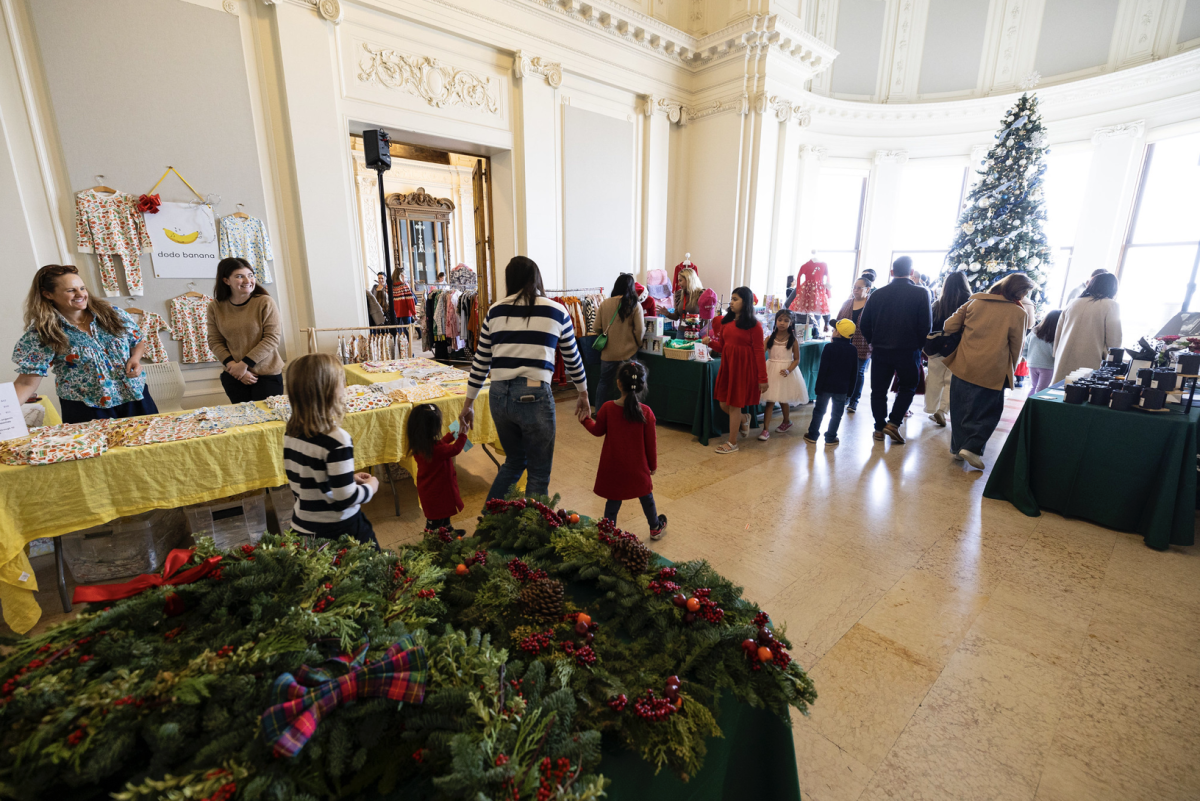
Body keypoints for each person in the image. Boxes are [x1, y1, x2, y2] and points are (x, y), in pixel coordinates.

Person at [459, 256, 589, 500]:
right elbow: (573, 359)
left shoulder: (494, 312)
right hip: (534, 394)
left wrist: (468, 405)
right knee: (539, 473)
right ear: (536, 278)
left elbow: (480, 363)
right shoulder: (557, 311)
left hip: (498, 395)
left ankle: (489, 523)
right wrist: (583, 393)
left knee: (514, 461)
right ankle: (533, 534)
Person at [12, 264, 157, 423]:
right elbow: (26, 383)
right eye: (70, 290)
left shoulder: (112, 313)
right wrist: (6, 412)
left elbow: (137, 340)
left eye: (82, 288)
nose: (80, 294)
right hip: (87, 408)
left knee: (148, 446)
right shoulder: (44, 332)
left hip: (134, 397)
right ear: (48, 294)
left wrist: (135, 358)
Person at [282, 353, 379, 544]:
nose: (345, 388)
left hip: (303, 527)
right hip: (340, 529)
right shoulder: (337, 440)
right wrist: (371, 487)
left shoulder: (291, 432)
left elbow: (309, 477)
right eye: (341, 382)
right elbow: (346, 499)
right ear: (328, 391)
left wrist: (347, 478)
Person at [942, 273, 1036, 469]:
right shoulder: (1018, 313)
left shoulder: (975, 302)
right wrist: (1010, 371)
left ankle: (958, 448)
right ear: (1018, 292)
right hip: (993, 369)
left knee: (960, 408)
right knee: (988, 412)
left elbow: (949, 326)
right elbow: (1016, 348)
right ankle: (972, 447)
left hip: (964, 364)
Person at [581, 361, 667, 540]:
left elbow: (597, 431)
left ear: (619, 383)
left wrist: (585, 420)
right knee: (647, 498)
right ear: (643, 385)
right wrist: (653, 466)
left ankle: (607, 533)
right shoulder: (646, 412)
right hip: (638, 469)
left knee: (613, 502)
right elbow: (651, 444)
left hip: (613, 468)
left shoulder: (607, 408)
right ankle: (655, 528)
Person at [858, 256, 932, 444]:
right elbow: (926, 327)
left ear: (892, 272)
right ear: (912, 272)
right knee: (908, 387)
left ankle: (878, 427)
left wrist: (873, 341)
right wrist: (919, 345)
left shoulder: (877, 294)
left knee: (878, 390)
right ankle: (893, 422)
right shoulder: (922, 293)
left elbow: (864, 324)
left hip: (881, 350)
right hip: (908, 350)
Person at [207, 257, 284, 404]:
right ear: (226, 281)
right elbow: (215, 341)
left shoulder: (265, 302)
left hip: (266, 375)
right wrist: (235, 369)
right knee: (244, 424)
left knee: (268, 424)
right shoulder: (215, 307)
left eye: (250, 275)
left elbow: (272, 338)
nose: (247, 280)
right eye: (239, 276)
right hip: (234, 376)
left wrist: (243, 365)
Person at [702, 287, 768, 454]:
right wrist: (710, 343)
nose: (731, 302)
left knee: (734, 405)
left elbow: (759, 352)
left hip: (743, 369)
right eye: (731, 298)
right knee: (724, 403)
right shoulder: (725, 323)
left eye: (736, 299)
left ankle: (732, 442)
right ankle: (745, 418)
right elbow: (723, 347)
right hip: (728, 368)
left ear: (745, 302)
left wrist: (762, 378)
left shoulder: (755, 326)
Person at [407, 403, 470, 534]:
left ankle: (448, 531)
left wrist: (451, 436)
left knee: (443, 513)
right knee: (435, 521)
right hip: (438, 491)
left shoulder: (421, 444)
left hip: (432, 490)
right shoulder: (437, 449)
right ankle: (431, 542)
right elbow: (455, 449)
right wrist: (463, 434)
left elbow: (440, 445)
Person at [1053, 273, 1122, 384]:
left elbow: (1058, 332)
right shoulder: (1111, 305)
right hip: (1091, 358)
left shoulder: (1073, 302)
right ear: (1113, 288)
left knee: (1059, 390)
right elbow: (1114, 341)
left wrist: (1056, 354)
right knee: (1081, 391)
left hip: (1064, 356)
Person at [924, 272, 971, 427]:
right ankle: (942, 411)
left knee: (934, 379)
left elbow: (929, 324)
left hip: (936, 346)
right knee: (951, 381)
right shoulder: (969, 303)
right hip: (959, 347)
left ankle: (932, 408)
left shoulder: (938, 303)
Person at [593, 273, 645, 411]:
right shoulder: (635, 305)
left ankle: (599, 412)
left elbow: (596, 327)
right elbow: (639, 330)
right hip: (629, 353)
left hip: (608, 353)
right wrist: (638, 344)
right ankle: (630, 411)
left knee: (604, 383)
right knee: (631, 384)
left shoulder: (605, 303)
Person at [805, 319, 861, 446]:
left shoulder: (829, 347)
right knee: (837, 414)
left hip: (825, 387)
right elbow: (854, 373)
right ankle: (830, 437)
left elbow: (823, 369)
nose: (832, 331)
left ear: (838, 333)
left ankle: (813, 435)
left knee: (819, 411)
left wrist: (817, 388)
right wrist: (850, 392)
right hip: (842, 389)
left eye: (835, 329)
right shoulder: (853, 350)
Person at [759, 310, 807, 440]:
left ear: (791, 323)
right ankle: (765, 430)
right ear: (775, 321)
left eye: (786, 321)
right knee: (770, 401)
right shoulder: (769, 338)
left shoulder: (793, 340)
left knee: (783, 400)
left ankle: (786, 421)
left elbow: (796, 359)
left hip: (786, 372)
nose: (782, 323)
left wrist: (788, 370)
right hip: (771, 370)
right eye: (780, 320)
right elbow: (760, 354)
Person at [832, 276, 873, 413]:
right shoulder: (847, 303)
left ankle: (854, 400)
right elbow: (838, 322)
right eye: (854, 287)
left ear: (867, 289)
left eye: (859, 288)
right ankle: (845, 396)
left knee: (858, 372)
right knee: (845, 371)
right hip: (844, 344)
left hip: (863, 344)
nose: (855, 290)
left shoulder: (871, 305)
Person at [1023, 310, 1060, 394]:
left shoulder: (1034, 332)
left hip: (1032, 364)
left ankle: (1027, 406)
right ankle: (1035, 407)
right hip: (1048, 366)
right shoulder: (1056, 336)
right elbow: (1058, 353)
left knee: (1033, 387)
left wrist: (1030, 359)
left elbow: (1024, 349)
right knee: (1041, 389)